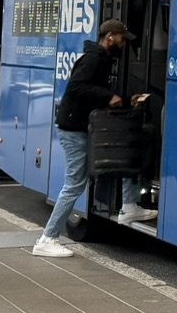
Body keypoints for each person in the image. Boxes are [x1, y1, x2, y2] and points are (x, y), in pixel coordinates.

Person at [32, 19, 133, 259]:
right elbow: (76, 87)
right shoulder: (94, 59)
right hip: (73, 129)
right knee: (74, 184)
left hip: (78, 128)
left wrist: (126, 100)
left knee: (109, 162)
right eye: (121, 38)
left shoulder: (101, 58)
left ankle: (129, 205)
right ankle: (47, 238)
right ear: (110, 37)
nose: (123, 43)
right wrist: (108, 97)